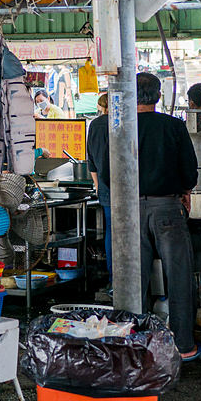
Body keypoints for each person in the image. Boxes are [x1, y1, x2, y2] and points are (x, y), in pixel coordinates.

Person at [87, 73, 201, 361]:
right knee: (179, 278)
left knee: (132, 283)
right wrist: (185, 190)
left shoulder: (117, 128)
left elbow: (107, 172)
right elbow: (189, 170)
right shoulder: (173, 126)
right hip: (168, 210)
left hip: (128, 211)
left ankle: (133, 347)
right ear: (158, 97)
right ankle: (184, 347)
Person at [86, 93, 112, 277]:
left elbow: (92, 161)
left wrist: (97, 185)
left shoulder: (95, 124)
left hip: (105, 188)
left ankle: (114, 280)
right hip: (132, 190)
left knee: (112, 233)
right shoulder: (128, 121)